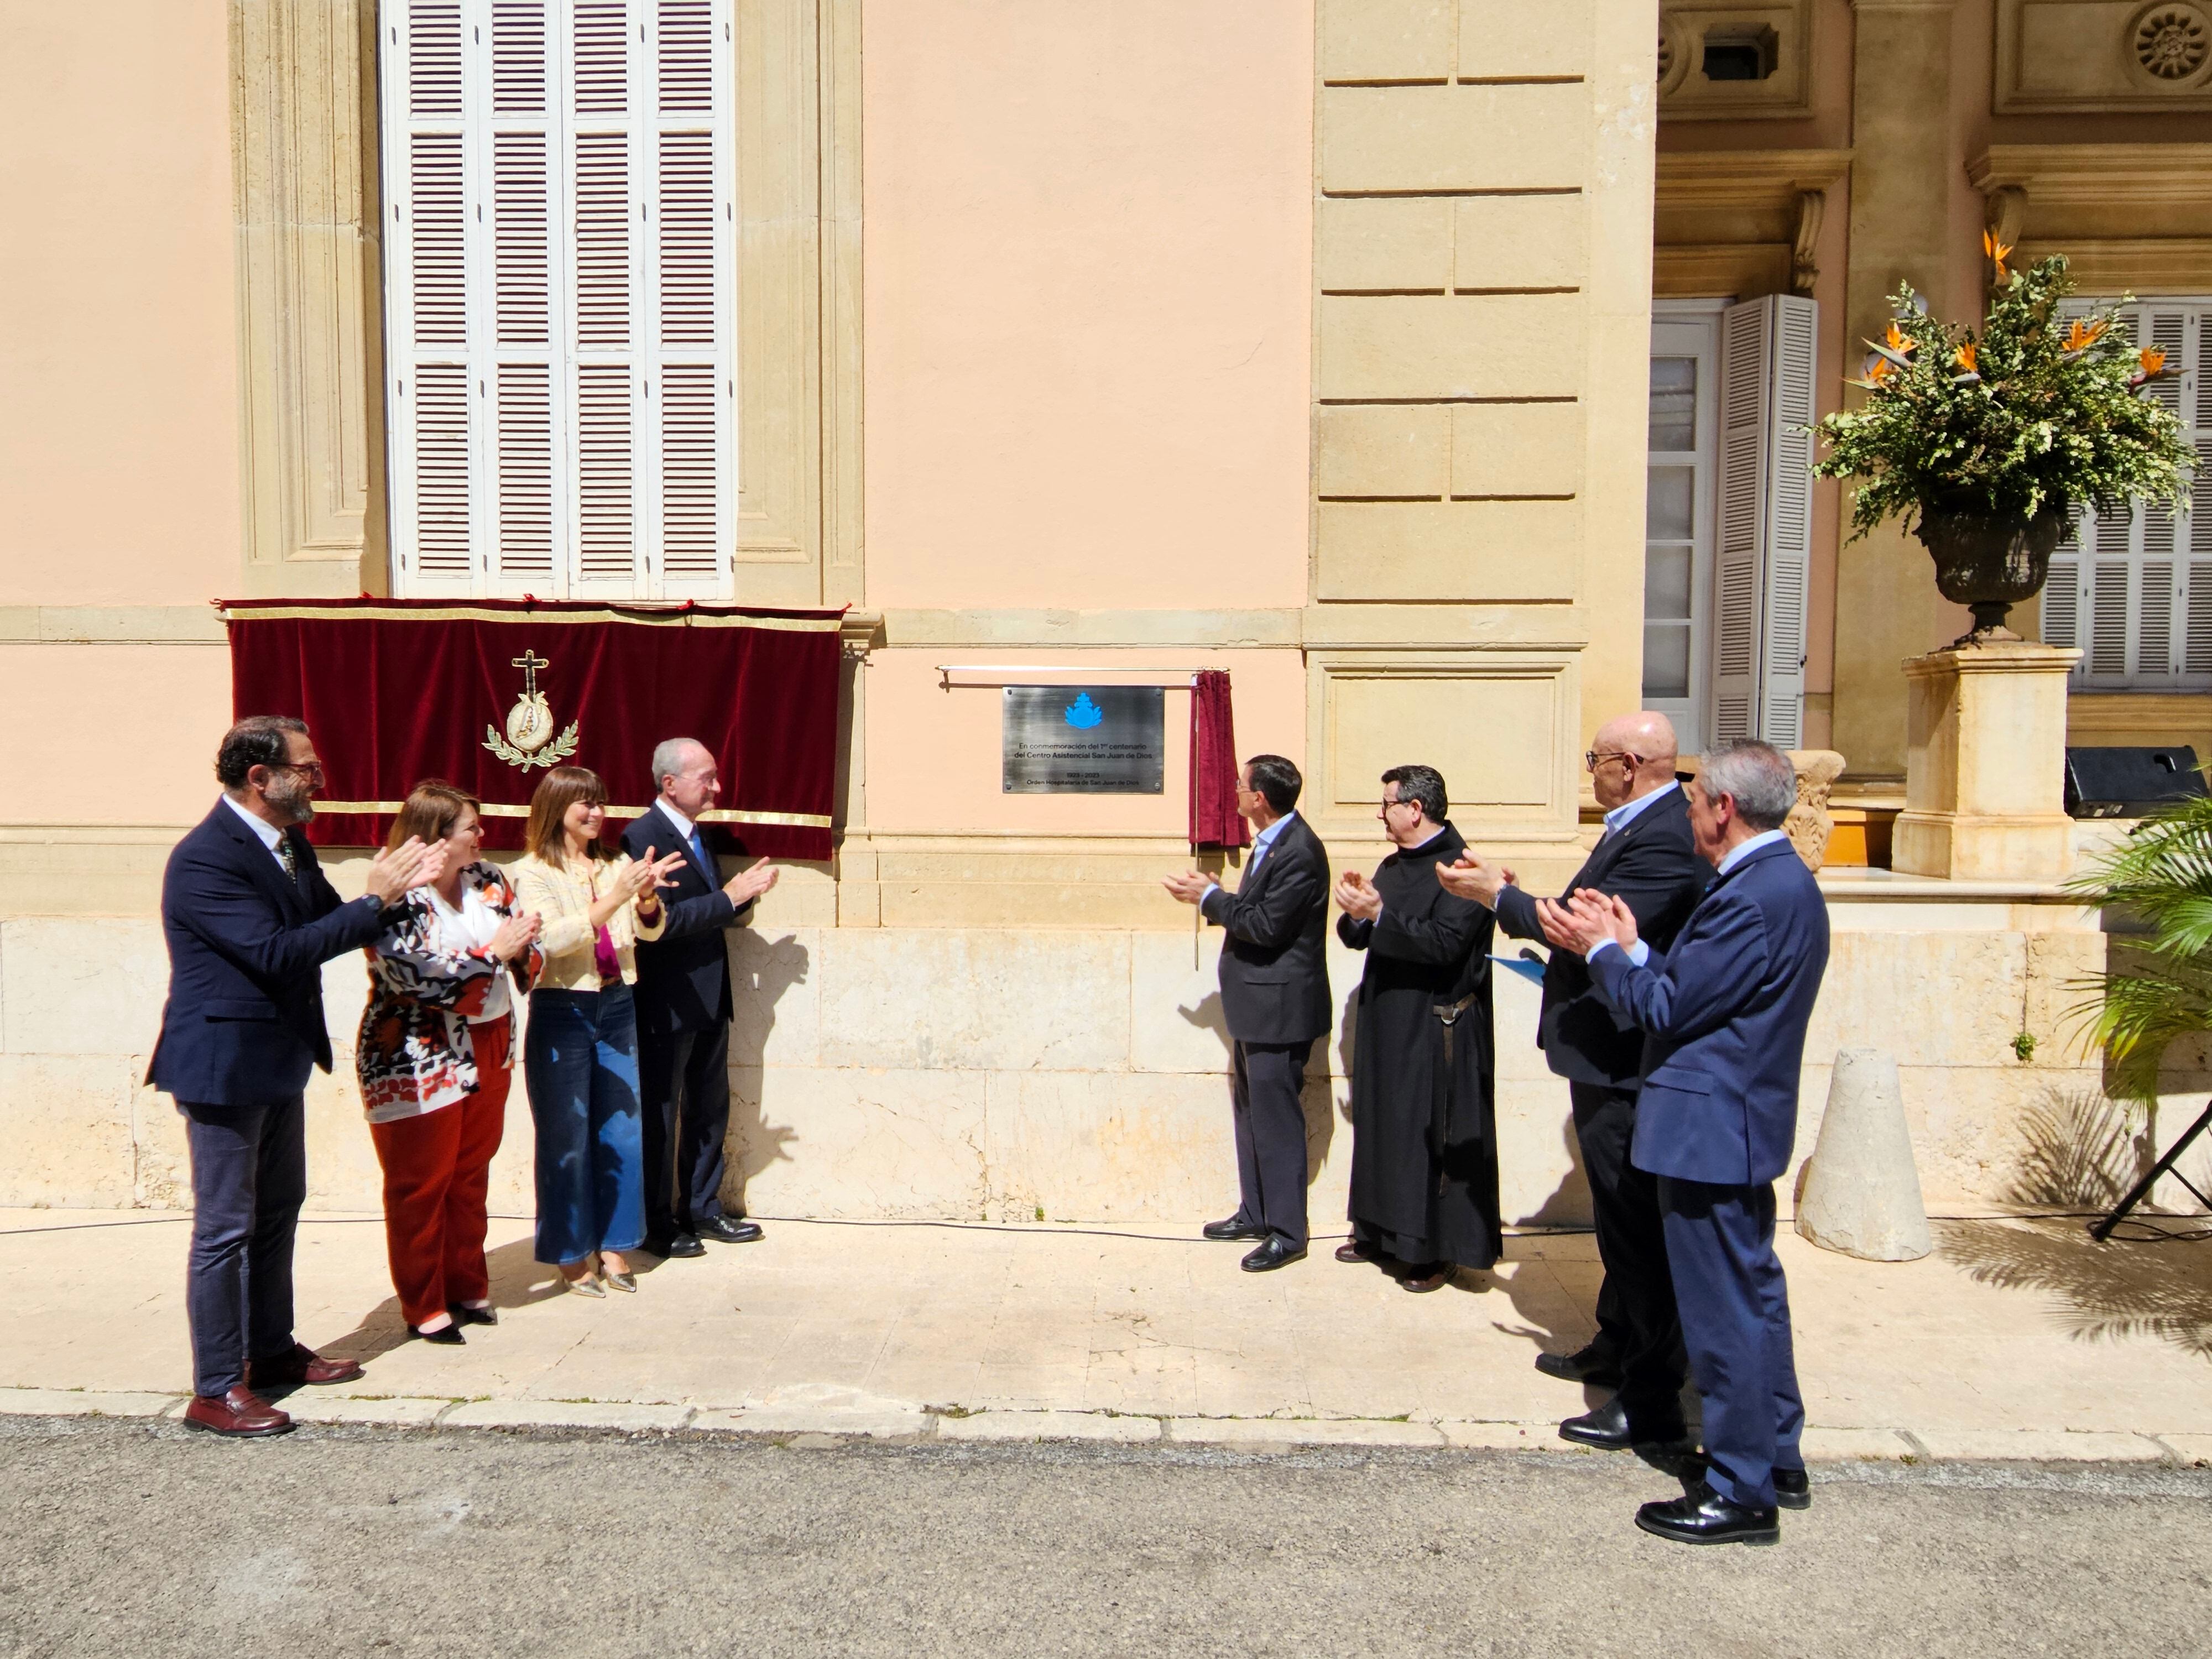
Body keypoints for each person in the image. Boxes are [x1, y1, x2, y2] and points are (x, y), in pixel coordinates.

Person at [1541, 739, 1827, 1546]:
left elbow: (1665, 1010)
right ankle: (1774, 1456)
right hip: (1733, 1121)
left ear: (1725, 809)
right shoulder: (1779, 883)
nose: (1691, 811)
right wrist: (1634, 943)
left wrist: (1601, 951)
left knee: (1722, 1313)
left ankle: (1740, 1490)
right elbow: (1702, 991)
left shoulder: (1752, 895)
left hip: (1708, 1127)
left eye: (1698, 800)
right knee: (1755, 1297)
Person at [149, 716, 446, 1437]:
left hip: (276, 1057)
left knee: (279, 1209)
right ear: (261, 778)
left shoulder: (287, 844)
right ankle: (217, 1387)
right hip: (221, 1066)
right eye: (307, 770)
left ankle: (271, 1351)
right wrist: (373, 900)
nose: (319, 780)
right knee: (224, 1228)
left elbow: (330, 920)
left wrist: (399, 899)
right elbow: (282, 953)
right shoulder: (205, 860)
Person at [1438, 711, 1709, 1444]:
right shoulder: (1634, 824)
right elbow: (1578, 914)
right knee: (1619, 1224)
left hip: (1626, 1057)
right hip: (1602, 1052)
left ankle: (1650, 1397)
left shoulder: (1666, 836)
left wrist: (1499, 896)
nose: (1588, 769)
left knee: (1636, 1231)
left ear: (1627, 764)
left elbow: (1583, 933)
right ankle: (1616, 1345)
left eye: (1594, 758)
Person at [356, 781, 543, 1345]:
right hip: (418, 1051)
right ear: (435, 836)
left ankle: (466, 1281)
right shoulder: (394, 894)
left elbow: (524, 943)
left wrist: (523, 948)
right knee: (420, 1180)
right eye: (472, 828)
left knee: (470, 1171)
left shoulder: (488, 880)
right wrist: (496, 954)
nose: (483, 836)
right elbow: (417, 973)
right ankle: (423, 1301)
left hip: (492, 1041)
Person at [513, 766, 685, 1297]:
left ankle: (614, 1243)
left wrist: (649, 899)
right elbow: (552, 942)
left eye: (602, 802)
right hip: (562, 1007)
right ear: (556, 807)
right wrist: (615, 898)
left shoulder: (618, 863)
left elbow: (646, 930)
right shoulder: (532, 871)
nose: (597, 813)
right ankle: (569, 1254)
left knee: (621, 1130)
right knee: (566, 1133)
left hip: (616, 1002)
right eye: (585, 804)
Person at [1333, 765, 1499, 1292]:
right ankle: (1378, 1231)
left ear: (1415, 809)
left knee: (1429, 1136)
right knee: (1384, 1126)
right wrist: (1359, 912)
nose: (1380, 814)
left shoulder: (1461, 868)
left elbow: (1444, 943)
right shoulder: (1394, 864)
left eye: (1386, 804)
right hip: (1388, 1017)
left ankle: (1431, 1249)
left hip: (1437, 1023)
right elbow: (1363, 934)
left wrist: (1380, 916)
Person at [1162, 754, 1331, 1271]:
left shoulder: (1300, 850)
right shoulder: (1273, 842)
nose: (1234, 792)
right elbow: (1259, 910)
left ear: (1260, 798)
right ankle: (1256, 1212)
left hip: (1281, 1008)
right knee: (1250, 1111)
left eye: (1240, 786)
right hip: (1256, 1006)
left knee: (1277, 1118)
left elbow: (1267, 925)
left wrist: (1210, 897)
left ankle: (1288, 1231)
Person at [622, 738, 780, 1260]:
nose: (717, 787)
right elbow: (660, 924)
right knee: (662, 1115)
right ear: (670, 784)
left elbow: (710, 910)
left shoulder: (698, 837)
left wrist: (744, 896)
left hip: (712, 995)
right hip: (668, 999)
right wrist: (728, 897)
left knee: (710, 1109)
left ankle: (704, 1208)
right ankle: (657, 1223)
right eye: (706, 778)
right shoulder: (641, 838)